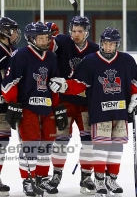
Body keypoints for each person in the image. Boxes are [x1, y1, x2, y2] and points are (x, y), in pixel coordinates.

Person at [49, 27, 137, 197]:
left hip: (120, 111)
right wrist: (64, 85)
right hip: (99, 111)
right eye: (105, 44)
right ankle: (99, 179)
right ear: (101, 43)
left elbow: (134, 81)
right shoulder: (90, 61)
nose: (108, 47)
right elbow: (79, 84)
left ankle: (111, 179)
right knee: (100, 146)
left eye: (112, 44)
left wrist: (136, 97)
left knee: (117, 146)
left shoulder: (127, 60)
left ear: (117, 44)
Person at [1, 21, 67, 196]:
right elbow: (9, 83)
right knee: (30, 145)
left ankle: (42, 178)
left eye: (47, 37)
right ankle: (28, 180)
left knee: (46, 145)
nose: (46, 40)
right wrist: (13, 104)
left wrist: (58, 106)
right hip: (27, 108)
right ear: (31, 39)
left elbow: (53, 84)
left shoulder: (52, 57)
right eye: (41, 38)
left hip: (47, 108)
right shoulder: (20, 55)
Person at [48, 16, 99, 194]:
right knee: (61, 140)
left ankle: (86, 177)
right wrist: (48, 33)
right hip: (65, 102)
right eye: (74, 30)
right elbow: (47, 46)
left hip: (85, 103)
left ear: (86, 32)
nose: (76, 34)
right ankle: (56, 175)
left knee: (88, 142)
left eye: (80, 31)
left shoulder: (94, 50)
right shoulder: (62, 41)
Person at [0, 16, 21, 196]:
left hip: (6, 107)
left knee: (3, 143)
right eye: (13, 30)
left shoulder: (12, 50)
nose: (15, 34)